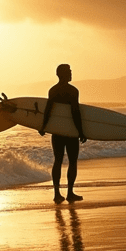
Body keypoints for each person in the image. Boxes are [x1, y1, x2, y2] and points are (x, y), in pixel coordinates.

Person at [39, 63, 87, 204]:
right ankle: (70, 193)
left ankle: (57, 194)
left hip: (57, 131)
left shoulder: (53, 90)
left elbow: (48, 109)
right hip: (71, 131)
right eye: (69, 71)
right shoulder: (73, 91)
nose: (71, 73)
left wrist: (43, 126)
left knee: (58, 160)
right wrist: (81, 131)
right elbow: (75, 111)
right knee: (72, 162)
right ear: (63, 74)